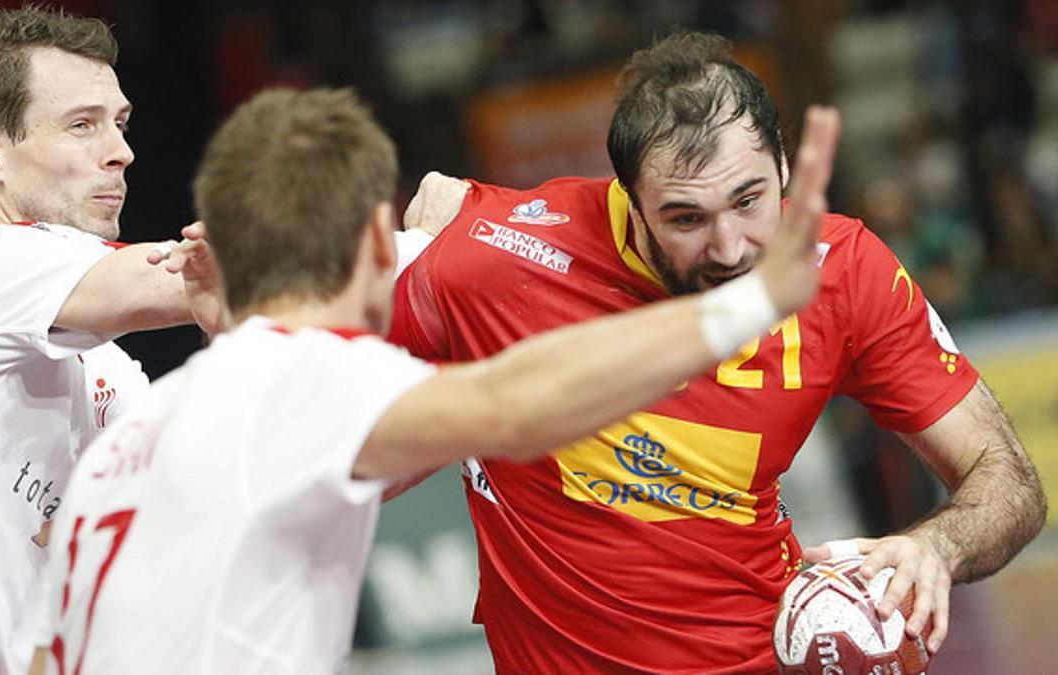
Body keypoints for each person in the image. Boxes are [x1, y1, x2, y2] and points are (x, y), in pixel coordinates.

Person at [27, 85, 838, 673]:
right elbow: (513, 402)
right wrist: (754, 302)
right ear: (382, 245)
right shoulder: (311, 382)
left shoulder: (140, 430)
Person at [388, 31, 1048, 673]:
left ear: (783, 166)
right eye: (685, 218)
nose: (730, 247)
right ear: (630, 201)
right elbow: (334, 426)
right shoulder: (489, 261)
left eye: (749, 199)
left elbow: (1008, 479)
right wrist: (415, 259)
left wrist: (934, 545)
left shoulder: (845, 273)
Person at [0, 7, 230, 673]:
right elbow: (187, 286)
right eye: (82, 125)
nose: (121, 150)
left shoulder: (98, 362)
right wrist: (435, 257)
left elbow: (206, 477)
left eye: (119, 123)